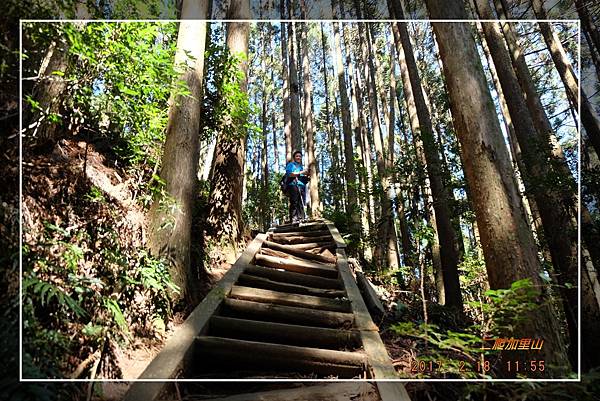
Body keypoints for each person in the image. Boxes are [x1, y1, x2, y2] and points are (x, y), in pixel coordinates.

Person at [285, 150, 308, 222]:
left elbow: (300, 175)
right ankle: (294, 218)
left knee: (300, 202)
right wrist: (301, 172)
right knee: (294, 202)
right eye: (297, 156)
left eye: (300, 156)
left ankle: (301, 217)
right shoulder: (291, 165)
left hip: (301, 186)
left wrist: (306, 175)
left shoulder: (300, 166)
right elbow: (290, 174)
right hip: (293, 185)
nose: (298, 157)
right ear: (294, 157)